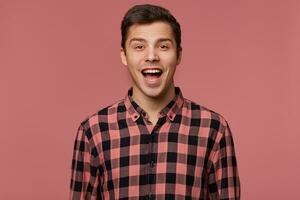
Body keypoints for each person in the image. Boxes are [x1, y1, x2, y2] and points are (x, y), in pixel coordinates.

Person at [69, 4, 240, 200]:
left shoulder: (214, 129)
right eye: (139, 47)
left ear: (179, 55)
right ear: (124, 55)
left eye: (163, 46)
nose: (151, 56)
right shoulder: (93, 131)